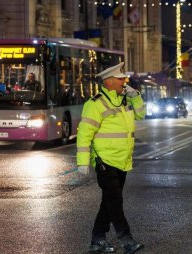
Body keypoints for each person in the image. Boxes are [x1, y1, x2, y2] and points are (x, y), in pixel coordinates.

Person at [76, 62, 146, 254]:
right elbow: (84, 134)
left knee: (108, 202)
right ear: (109, 82)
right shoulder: (95, 103)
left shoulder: (124, 100)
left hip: (122, 160)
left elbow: (141, 115)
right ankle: (127, 240)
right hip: (104, 161)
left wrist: (136, 97)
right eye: (121, 78)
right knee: (115, 202)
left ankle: (97, 240)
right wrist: (82, 161)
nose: (125, 81)